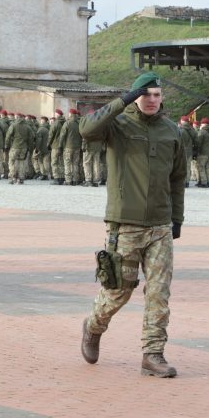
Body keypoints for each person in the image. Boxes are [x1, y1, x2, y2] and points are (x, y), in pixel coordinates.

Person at [79, 71, 186, 378]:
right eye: (144, 94)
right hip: (124, 226)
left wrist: (176, 218)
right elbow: (86, 129)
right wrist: (123, 99)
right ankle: (93, 326)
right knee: (119, 291)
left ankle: (153, 354)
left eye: (156, 94)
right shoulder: (118, 126)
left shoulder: (171, 131)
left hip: (160, 226)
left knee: (158, 292)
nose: (151, 100)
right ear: (135, 96)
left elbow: (178, 179)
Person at [194, 118, 209, 188]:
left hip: (203, 153)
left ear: (203, 124)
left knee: (201, 167)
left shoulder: (202, 132)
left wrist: (197, 151)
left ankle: (203, 182)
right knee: (208, 168)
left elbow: (198, 143)